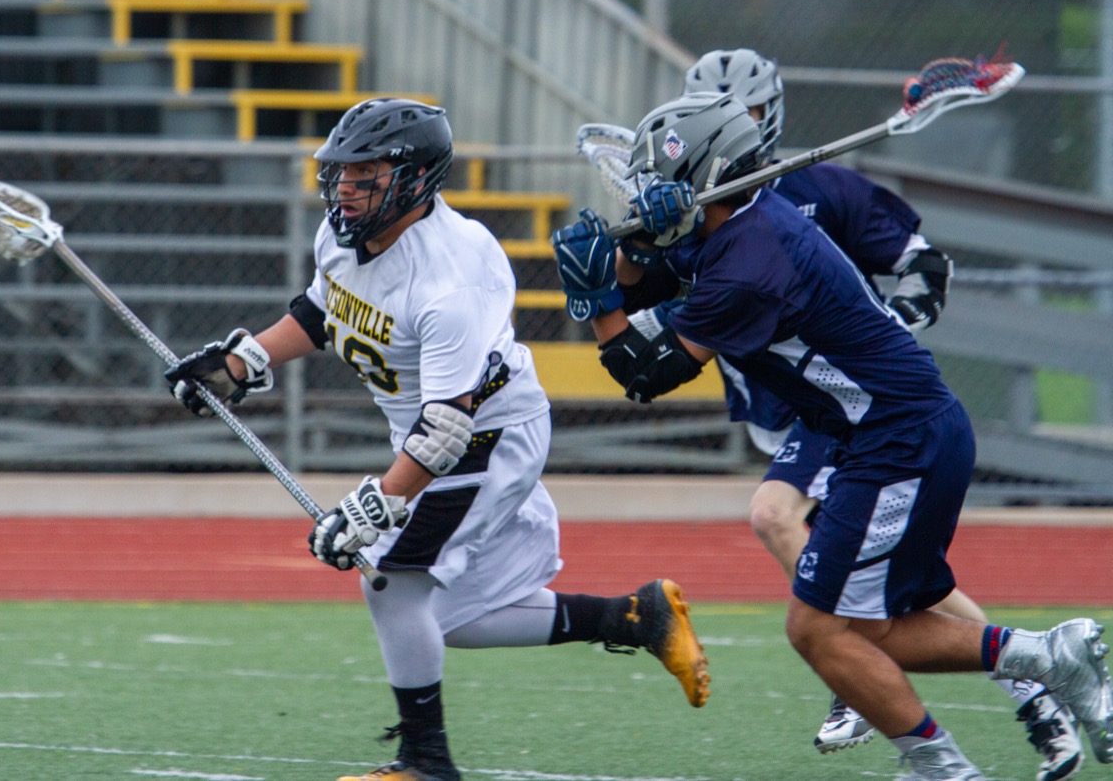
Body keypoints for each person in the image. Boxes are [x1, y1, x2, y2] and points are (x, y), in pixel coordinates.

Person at [551, 90, 1113, 781]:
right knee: (870, 633)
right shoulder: (736, 227)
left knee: (819, 631)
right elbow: (659, 276)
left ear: (708, 174)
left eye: (663, 181)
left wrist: (594, 300)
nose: (648, 194)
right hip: (885, 436)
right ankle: (1041, 661)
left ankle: (948, 763)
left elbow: (642, 374)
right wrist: (632, 252)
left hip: (898, 441)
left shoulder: (748, 262)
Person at [164, 97, 711, 781]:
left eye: (365, 178)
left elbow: (446, 428)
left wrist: (376, 505)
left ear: (416, 179)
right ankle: (636, 617)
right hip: (436, 433)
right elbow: (323, 309)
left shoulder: (451, 277)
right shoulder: (344, 237)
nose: (346, 191)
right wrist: (242, 364)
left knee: (392, 585)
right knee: (444, 617)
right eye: (341, 175)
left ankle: (425, 764)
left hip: (486, 436)